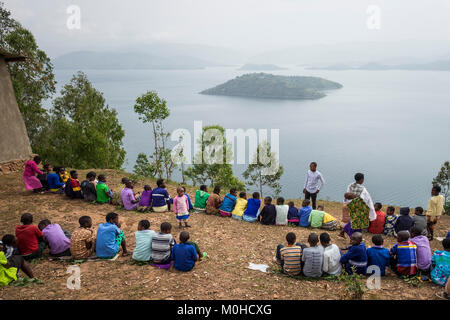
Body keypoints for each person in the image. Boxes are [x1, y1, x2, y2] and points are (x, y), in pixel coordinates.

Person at [340, 173, 376, 238]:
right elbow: (366, 199)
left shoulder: (350, 185)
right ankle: (354, 237)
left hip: (350, 205)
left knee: (353, 220)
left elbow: (347, 194)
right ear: (362, 179)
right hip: (358, 206)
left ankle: (343, 232)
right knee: (357, 222)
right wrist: (370, 208)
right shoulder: (363, 189)